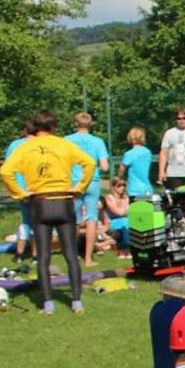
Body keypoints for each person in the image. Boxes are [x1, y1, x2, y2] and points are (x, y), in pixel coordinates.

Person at [0, 109, 94, 315]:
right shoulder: (64, 144)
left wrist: (20, 193)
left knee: (43, 256)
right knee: (70, 254)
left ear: (35, 127)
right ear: (53, 126)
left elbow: (5, 171)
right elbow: (90, 163)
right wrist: (80, 187)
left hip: (40, 202)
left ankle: (48, 304)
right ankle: (76, 301)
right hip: (64, 201)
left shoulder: (26, 147)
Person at [66, 112, 111, 267]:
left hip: (75, 183)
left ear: (75, 123)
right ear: (90, 124)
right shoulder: (98, 141)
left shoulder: (67, 140)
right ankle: (88, 258)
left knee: (75, 219)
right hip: (92, 181)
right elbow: (105, 166)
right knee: (92, 218)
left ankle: (72, 256)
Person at [4, 122, 35, 263]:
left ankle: (20, 253)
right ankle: (36, 254)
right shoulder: (40, 144)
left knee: (26, 219)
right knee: (36, 221)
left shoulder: (15, 145)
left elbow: (7, 167)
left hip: (20, 188)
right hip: (36, 187)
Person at [101, 176, 132, 259]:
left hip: (125, 221)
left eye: (124, 185)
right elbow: (119, 212)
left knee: (126, 222)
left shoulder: (126, 197)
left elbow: (125, 212)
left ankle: (125, 249)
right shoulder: (109, 198)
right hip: (112, 222)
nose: (122, 188)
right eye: (119, 186)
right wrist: (126, 206)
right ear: (113, 187)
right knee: (124, 223)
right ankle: (124, 249)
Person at [119, 127, 153, 199]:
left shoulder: (129, 154)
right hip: (147, 189)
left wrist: (121, 178)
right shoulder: (148, 152)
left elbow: (122, 169)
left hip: (134, 190)